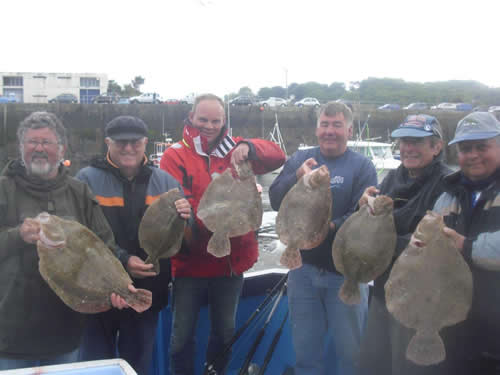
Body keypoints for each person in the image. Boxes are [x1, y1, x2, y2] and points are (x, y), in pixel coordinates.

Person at [159, 93, 285, 375]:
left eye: (216, 120)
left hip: (230, 264)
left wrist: (248, 146)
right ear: (191, 118)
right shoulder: (175, 154)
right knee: (181, 337)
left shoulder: (234, 151)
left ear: (224, 121)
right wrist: (217, 225)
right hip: (190, 264)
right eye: (203, 119)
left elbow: (277, 155)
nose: (209, 125)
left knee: (225, 332)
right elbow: (177, 202)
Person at [0, 112, 131, 371]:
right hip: (9, 332)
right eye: (31, 142)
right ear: (21, 147)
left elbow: (104, 246)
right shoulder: (4, 190)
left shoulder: (79, 191)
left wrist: (120, 284)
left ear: (61, 149)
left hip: (65, 331)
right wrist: (18, 235)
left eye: (47, 142)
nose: (39, 148)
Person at [76, 115, 191, 375]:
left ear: (145, 143)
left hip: (146, 293)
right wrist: (124, 260)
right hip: (98, 294)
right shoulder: (86, 180)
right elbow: (82, 237)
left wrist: (187, 216)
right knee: (94, 366)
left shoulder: (166, 183)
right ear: (107, 143)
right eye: (121, 142)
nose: (128, 148)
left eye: (135, 142)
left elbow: (183, 240)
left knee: (138, 366)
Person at [269, 101, 377, 375]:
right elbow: (274, 199)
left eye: (337, 125)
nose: (330, 131)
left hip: (346, 273)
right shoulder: (301, 159)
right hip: (301, 271)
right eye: (325, 124)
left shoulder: (362, 166)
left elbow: (363, 214)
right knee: (306, 354)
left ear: (349, 130)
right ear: (317, 129)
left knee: (351, 355)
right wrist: (296, 176)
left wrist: (325, 229)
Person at [357, 114, 452, 375]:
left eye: (417, 141)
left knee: (406, 367)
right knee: (374, 364)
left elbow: (432, 244)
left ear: (436, 146)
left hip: (418, 299)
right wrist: (365, 206)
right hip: (383, 291)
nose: (408, 148)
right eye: (404, 141)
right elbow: (375, 223)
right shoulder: (393, 176)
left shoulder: (448, 183)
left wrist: (381, 240)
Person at [431, 112, 500, 374]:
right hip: (453, 328)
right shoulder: (448, 194)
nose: (472, 155)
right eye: (465, 148)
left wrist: (465, 245)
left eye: (482, 147)